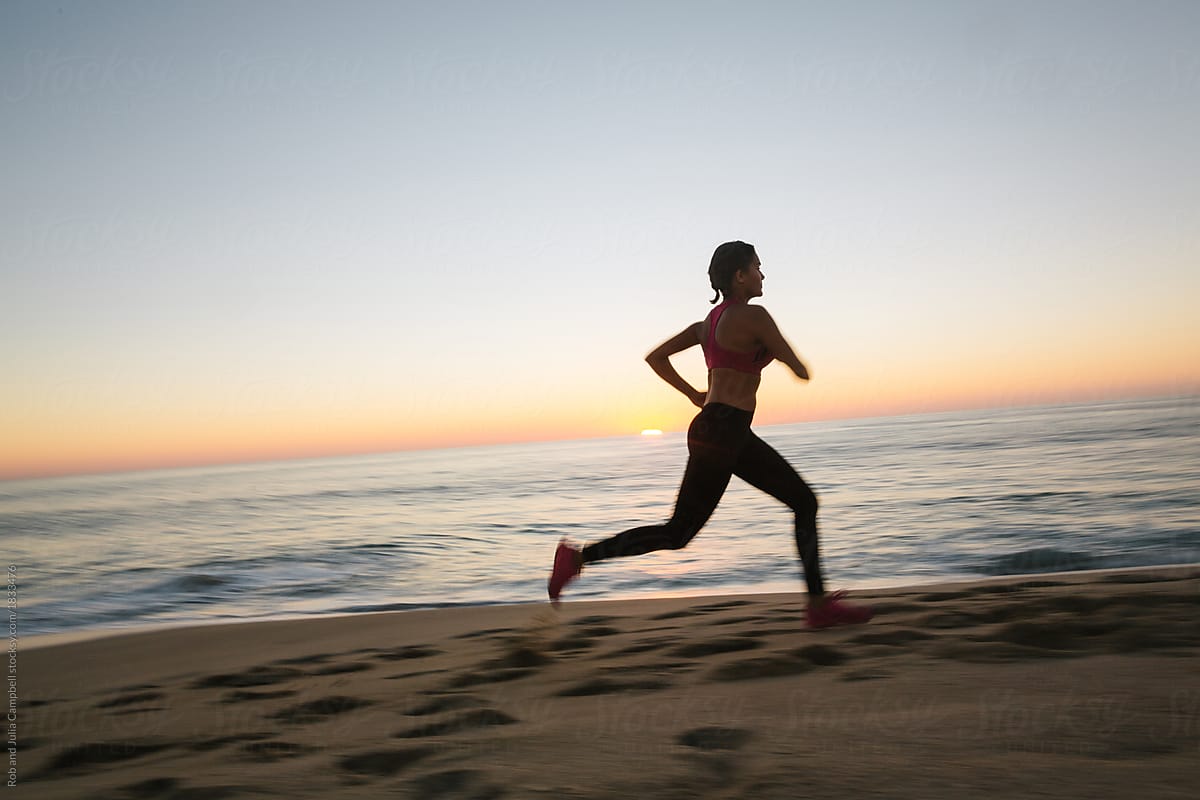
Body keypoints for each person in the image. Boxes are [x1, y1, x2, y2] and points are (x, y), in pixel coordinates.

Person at [547, 241, 872, 629]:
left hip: (718, 428)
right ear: (739, 276)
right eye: (757, 267)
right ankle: (577, 558)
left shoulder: (707, 324)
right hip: (725, 432)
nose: (762, 274)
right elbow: (801, 370)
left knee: (783, 506)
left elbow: (655, 357)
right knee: (689, 529)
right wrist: (777, 356)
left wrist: (694, 395)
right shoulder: (756, 316)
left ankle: (817, 605)